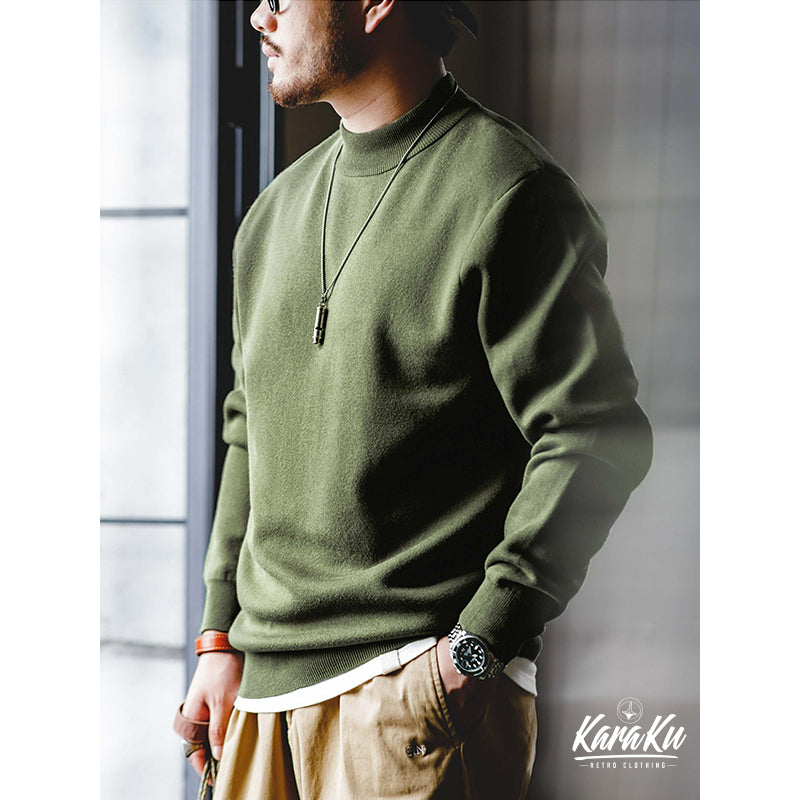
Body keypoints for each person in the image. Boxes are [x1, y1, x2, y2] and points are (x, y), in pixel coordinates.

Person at [174, 1, 653, 798]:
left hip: (410, 700)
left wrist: (479, 646)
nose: (259, 16)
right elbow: (248, 430)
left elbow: (596, 432)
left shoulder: (508, 189)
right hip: (257, 703)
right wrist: (218, 638)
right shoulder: (271, 216)